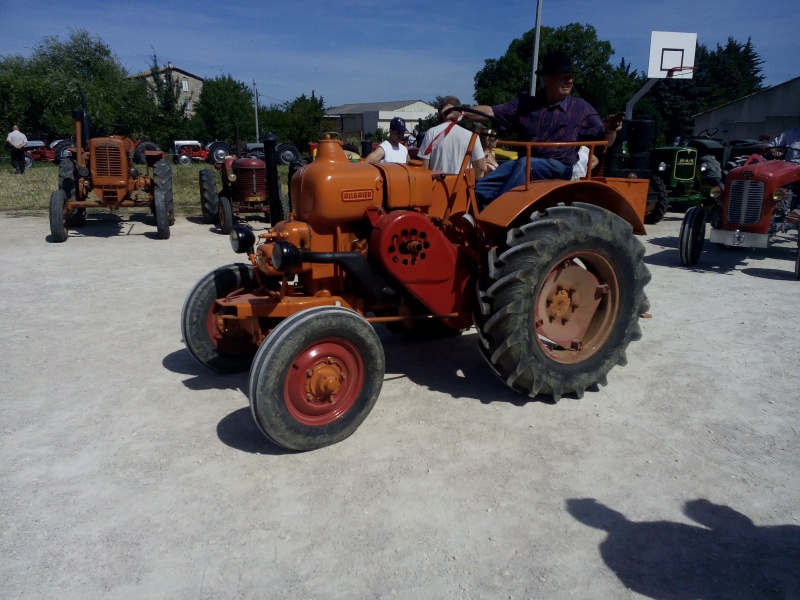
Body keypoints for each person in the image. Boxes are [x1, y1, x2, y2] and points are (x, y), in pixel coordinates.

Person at [463, 49, 624, 204]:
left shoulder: (580, 108)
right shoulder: (526, 104)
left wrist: (610, 129)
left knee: (525, 164)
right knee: (481, 187)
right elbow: (491, 111)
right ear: (547, 79)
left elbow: (606, 140)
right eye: (563, 76)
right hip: (525, 165)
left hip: (559, 168)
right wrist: (461, 113)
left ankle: (501, 212)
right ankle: (476, 219)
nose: (569, 81)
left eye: (570, 77)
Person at [417, 96, 485, 177]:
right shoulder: (471, 135)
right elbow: (480, 167)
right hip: (462, 186)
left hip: (437, 186)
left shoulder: (432, 132)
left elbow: (423, 166)